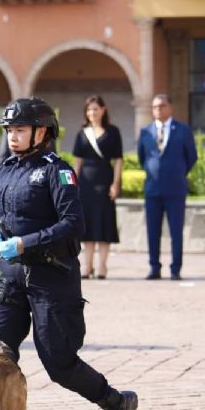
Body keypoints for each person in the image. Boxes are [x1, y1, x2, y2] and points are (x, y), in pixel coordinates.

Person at [0, 97, 139, 410]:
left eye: (20, 130)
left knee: (59, 364)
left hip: (50, 278)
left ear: (41, 132)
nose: (12, 137)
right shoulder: (8, 169)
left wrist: (28, 241)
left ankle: (116, 402)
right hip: (9, 279)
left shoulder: (57, 171)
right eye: (9, 131)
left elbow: (73, 224)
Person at [137, 94, 198, 280]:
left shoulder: (182, 130)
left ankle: (175, 268)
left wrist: (177, 172)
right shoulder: (145, 131)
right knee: (152, 231)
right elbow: (142, 158)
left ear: (170, 108)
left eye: (162, 106)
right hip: (152, 189)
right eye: (155, 107)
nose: (158, 110)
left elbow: (191, 157)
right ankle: (154, 267)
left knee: (176, 231)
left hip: (175, 188)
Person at [72, 95, 123, 279]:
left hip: (105, 180)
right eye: (89, 109)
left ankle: (102, 266)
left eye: (95, 108)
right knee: (88, 226)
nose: (92, 112)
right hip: (86, 184)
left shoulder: (113, 132)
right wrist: (73, 185)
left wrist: (115, 184)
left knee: (104, 224)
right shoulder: (82, 132)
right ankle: (88, 266)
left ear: (103, 109)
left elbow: (118, 160)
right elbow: (77, 161)